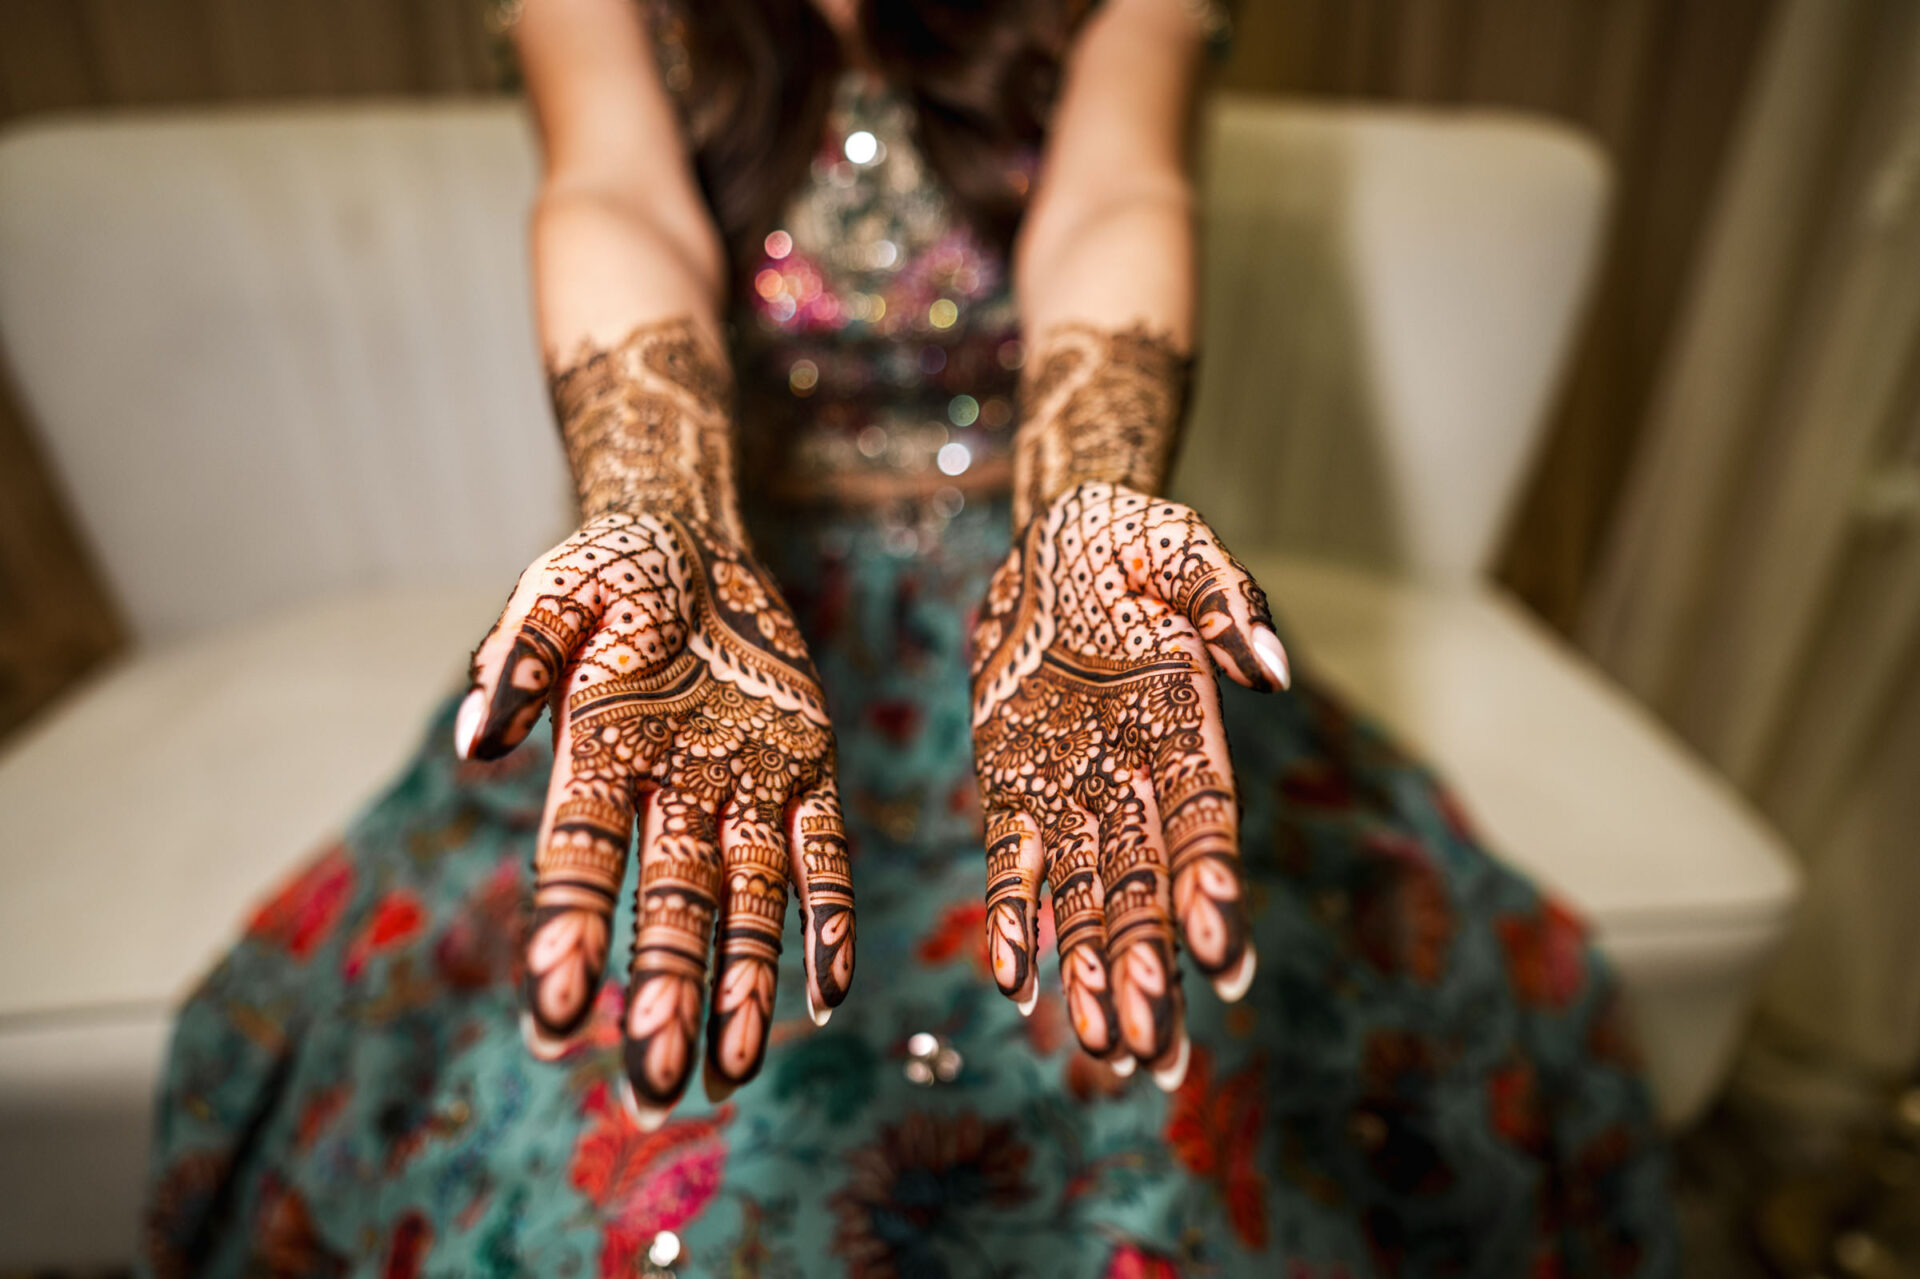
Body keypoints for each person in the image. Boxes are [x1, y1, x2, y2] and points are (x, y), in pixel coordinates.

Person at [141, 0, 1680, 1274]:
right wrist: (665, 519)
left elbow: (1119, 197)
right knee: (612, 1163)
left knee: (1166, 1112)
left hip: (1044, 630)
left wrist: (1083, 513)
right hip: (723, 628)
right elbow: (615, 195)